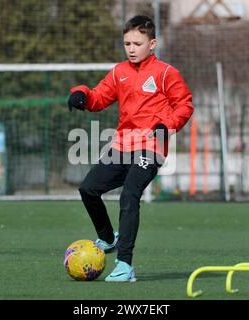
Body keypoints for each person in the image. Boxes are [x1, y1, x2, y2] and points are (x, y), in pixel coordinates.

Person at [67, 15, 194, 282]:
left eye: (137, 43)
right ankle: (107, 238)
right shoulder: (119, 72)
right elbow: (99, 96)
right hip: (122, 145)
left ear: (153, 44)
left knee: (129, 195)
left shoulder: (166, 73)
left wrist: (166, 125)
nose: (131, 48)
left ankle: (125, 265)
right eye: (127, 43)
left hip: (151, 147)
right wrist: (82, 95)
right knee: (88, 189)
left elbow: (184, 105)